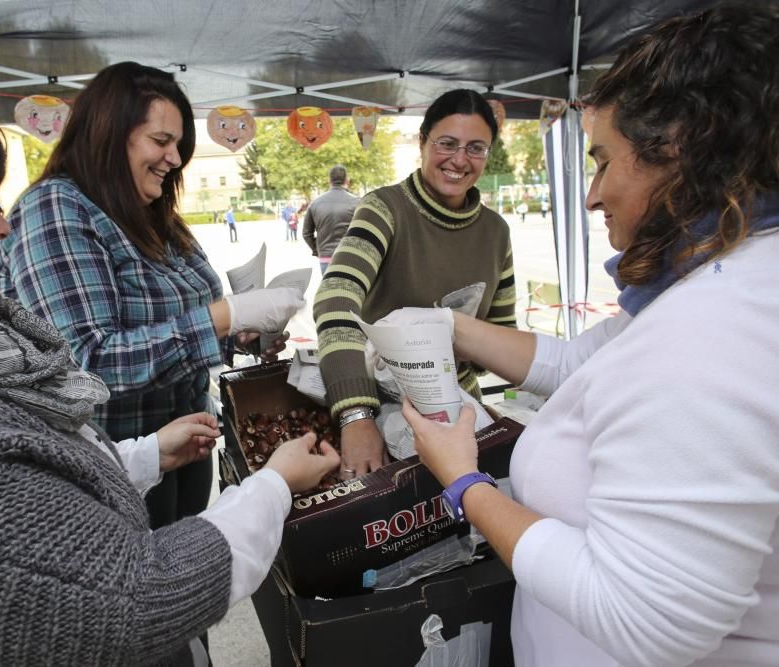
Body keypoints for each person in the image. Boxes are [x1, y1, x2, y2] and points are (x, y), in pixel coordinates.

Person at [0, 69, 340, 666]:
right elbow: (141, 596)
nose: (2, 225)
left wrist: (150, 448)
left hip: (157, 444)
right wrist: (272, 483)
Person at [403, 4, 779, 665]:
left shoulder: (713, 329)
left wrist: (465, 482)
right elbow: (583, 360)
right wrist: (452, 326)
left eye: (604, 161)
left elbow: (645, 620)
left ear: (680, 150)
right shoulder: (723, 278)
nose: (592, 194)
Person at [0, 62, 304, 530]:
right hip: (108, 466)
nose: (175, 159)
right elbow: (86, 362)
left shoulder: (156, 216)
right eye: (161, 142)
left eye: (179, 145)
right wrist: (222, 317)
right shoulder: (56, 209)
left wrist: (241, 337)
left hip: (185, 445)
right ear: (107, 135)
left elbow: (175, 334)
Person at [313, 88, 516, 479]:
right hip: (384, 417)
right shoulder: (384, 209)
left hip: (461, 417)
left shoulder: (496, 232)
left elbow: (503, 336)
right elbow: (336, 298)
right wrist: (356, 416)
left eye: (476, 148)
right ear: (422, 141)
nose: (459, 160)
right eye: (447, 143)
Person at [302, 165, 360, 275]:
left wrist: (318, 250)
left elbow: (306, 234)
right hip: (350, 256)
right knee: (350, 291)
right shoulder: (357, 202)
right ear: (347, 181)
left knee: (329, 291)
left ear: (329, 181)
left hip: (326, 258)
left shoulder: (315, 203)